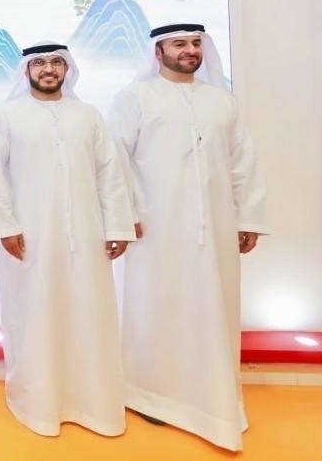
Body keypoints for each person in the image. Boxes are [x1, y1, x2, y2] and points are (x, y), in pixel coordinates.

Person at [109, 23, 267, 451]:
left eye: (196, 43)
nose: (190, 50)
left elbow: (242, 162)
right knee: (156, 308)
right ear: (158, 51)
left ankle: (215, 397)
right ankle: (149, 395)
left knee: (213, 306)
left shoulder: (221, 101)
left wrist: (247, 217)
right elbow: (115, 160)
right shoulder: (134, 98)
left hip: (215, 227)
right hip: (154, 230)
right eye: (179, 43)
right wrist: (126, 215)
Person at [0, 43, 135, 437]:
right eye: (39, 63)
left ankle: (93, 403)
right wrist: (7, 226)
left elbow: (109, 174)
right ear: (26, 70)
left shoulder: (88, 116)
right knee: (34, 313)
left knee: (89, 313)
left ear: (67, 69)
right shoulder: (7, 116)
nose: (48, 69)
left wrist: (117, 227)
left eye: (56, 62)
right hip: (30, 237)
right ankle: (36, 401)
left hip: (87, 235)